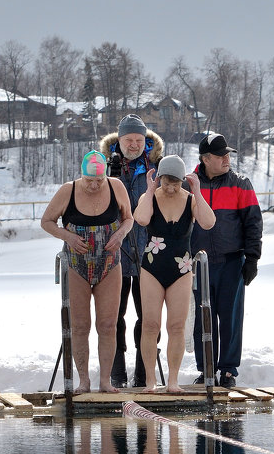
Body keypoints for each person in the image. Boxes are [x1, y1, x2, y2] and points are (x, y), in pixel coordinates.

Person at [40, 149, 134, 393]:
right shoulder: (68, 191)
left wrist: (121, 235)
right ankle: (84, 380)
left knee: (108, 324)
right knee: (80, 325)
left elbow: (129, 219)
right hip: (76, 263)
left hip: (109, 263)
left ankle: (105, 380)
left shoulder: (116, 188)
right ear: (81, 176)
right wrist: (67, 236)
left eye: (98, 180)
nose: (94, 185)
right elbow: (46, 221)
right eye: (89, 180)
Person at [134, 154, 216, 393]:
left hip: (181, 268)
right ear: (159, 178)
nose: (170, 188)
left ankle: (172, 381)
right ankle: (150, 381)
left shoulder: (190, 199)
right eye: (166, 182)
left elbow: (209, 222)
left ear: (182, 181)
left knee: (177, 326)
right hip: (152, 266)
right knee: (150, 325)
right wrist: (150, 190)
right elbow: (141, 219)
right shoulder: (150, 196)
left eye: (175, 183)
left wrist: (197, 191)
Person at [189, 132, 263, 389]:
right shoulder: (189, 185)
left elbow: (253, 222)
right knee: (202, 318)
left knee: (230, 318)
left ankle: (228, 370)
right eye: (221, 155)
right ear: (205, 158)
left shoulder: (240, 183)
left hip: (232, 261)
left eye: (228, 154)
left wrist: (252, 258)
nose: (226, 159)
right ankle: (205, 369)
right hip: (199, 264)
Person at [99, 114, 164, 388]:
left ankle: (142, 372)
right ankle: (116, 374)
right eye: (129, 140)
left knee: (148, 318)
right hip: (114, 253)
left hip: (149, 252)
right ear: (119, 141)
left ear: (146, 141)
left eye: (139, 140)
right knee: (114, 317)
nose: (134, 145)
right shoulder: (102, 167)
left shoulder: (157, 168)